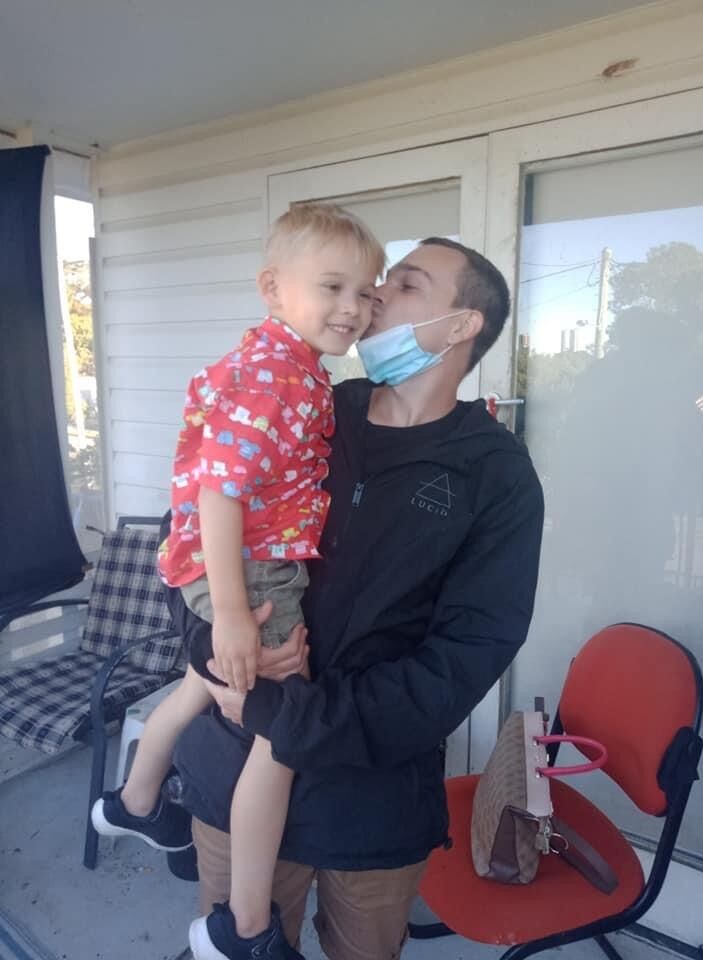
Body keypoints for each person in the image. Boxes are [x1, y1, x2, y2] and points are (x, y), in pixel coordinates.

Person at [173, 236, 545, 960]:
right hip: (234, 762)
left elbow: (469, 652)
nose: (375, 298)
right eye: (382, 282)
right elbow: (189, 527)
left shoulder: (495, 474)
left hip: (372, 803)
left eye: (406, 285)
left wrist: (294, 716)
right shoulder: (307, 401)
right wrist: (212, 649)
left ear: (462, 326)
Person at [91, 203, 385, 960]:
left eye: (367, 291)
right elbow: (220, 492)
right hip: (249, 568)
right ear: (272, 287)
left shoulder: (289, 364)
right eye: (332, 286)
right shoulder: (274, 375)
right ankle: (244, 926)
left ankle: (136, 798)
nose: (353, 307)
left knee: (202, 684)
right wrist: (229, 611)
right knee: (284, 736)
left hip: (233, 561)